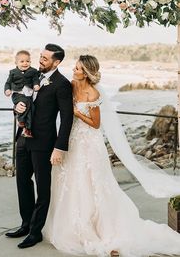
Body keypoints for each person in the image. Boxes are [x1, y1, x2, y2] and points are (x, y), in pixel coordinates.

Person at [43, 55, 180, 257]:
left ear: (86, 73)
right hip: (73, 140)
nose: (74, 70)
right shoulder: (71, 85)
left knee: (94, 184)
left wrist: (76, 112)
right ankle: (73, 226)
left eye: (78, 68)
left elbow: (95, 123)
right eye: (75, 67)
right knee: (72, 181)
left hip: (90, 143)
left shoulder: (92, 93)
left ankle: (103, 229)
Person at [5, 44, 74, 249]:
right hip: (23, 138)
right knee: (22, 183)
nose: (40, 60)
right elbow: (19, 96)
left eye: (45, 58)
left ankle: (35, 232)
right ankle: (25, 224)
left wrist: (60, 147)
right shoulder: (30, 75)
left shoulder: (61, 84)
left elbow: (67, 117)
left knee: (43, 189)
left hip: (44, 142)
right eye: (41, 56)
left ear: (57, 62)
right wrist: (16, 107)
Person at [4, 50, 40, 137]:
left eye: (27, 61)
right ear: (16, 62)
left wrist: (36, 85)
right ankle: (20, 120)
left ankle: (27, 129)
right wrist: (7, 90)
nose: (25, 63)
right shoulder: (13, 72)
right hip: (17, 94)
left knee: (31, 108)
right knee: (25, 103)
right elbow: (8, 83)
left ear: (30, 62)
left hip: (28, 94)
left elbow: (35, 79)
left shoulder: (33, 71)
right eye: (22, 61)